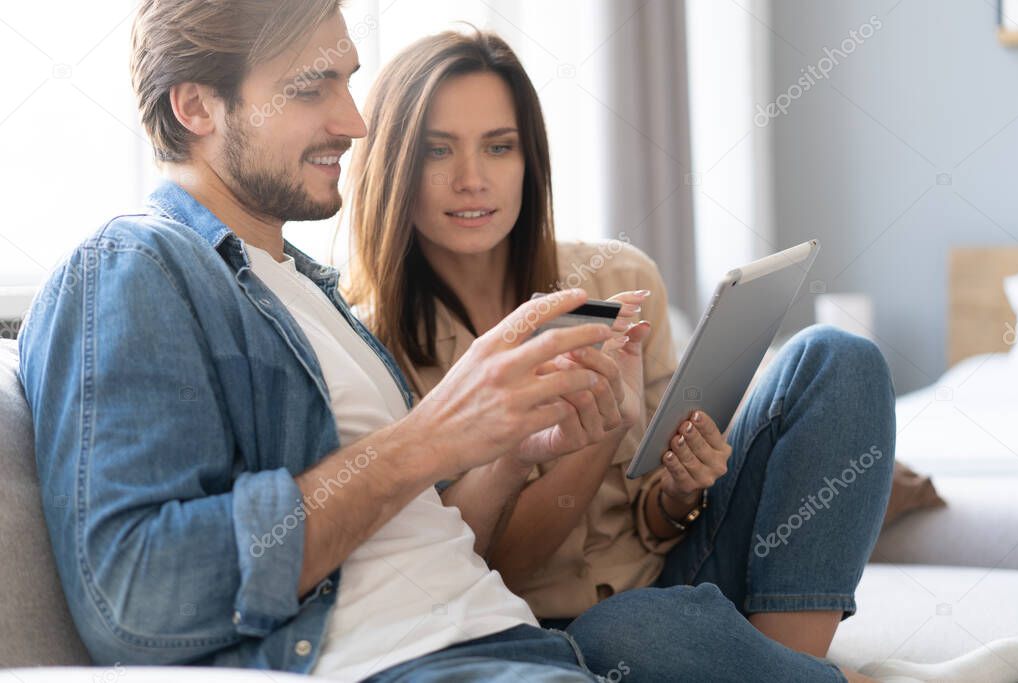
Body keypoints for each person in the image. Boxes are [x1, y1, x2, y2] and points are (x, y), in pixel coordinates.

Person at [17, 2, 638, 681]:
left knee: (781, 379)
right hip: (422, 665)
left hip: (527, 643)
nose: (355, 123)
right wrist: (428, 435)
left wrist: (508, 453)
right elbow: (136, 596)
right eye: (312, 89)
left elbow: (420, 538)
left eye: (347, 82)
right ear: (197, 106)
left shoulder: (312, 294)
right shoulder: (131, 265)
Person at [345, 28, 900, 682]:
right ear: (393, 164)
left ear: (531, 161)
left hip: (674, 578)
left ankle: (789, 668)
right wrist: (581, 440)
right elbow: (479, 569)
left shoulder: (615, 275)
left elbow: (658, 517)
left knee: (838, 358)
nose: (472, 179)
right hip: (548, 625)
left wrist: (681, 487)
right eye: (439, 150)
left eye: (499, 147)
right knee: (625, 633)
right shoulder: (366, 345)